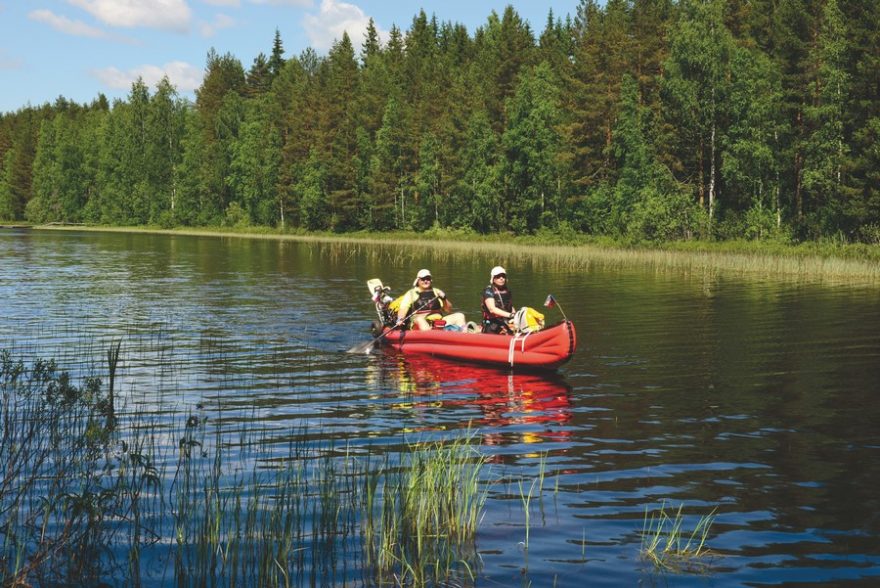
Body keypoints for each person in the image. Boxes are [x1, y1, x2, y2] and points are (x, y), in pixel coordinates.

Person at [397, 269, 466, 330]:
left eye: (428, 278)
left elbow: (448, 310)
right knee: (419, 319)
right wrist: (400, 319)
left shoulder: (437, 291)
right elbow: (403, 309)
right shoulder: (411, 293)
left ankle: (464, 337)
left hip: (438, 322)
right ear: (418, 281)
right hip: (419, 323)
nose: (426, 281)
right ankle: (430, 336)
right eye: (423, 279)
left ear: (431, 280)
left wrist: (444, 299)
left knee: (460, 316)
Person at [481, 266, 515, 334]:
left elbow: (511, 308)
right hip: (491, 324)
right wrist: (510, 315)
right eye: (498, 276)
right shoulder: (488, 291)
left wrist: (516, 317)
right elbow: (492, 309)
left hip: (504, 322)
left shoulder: (507, 291)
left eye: (503, 276)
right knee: (495, 328)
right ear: (493, 279)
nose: (501, 278)